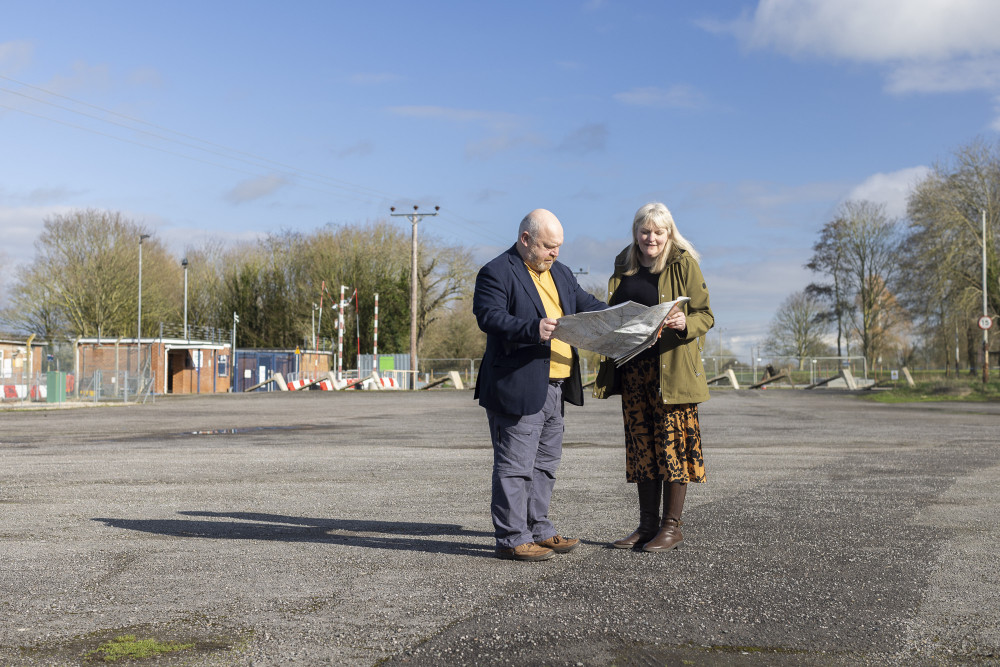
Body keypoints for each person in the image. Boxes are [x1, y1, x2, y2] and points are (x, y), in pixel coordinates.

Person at [474, 208, 607, 561]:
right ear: (525, 240)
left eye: (559, 246)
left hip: (557, 385)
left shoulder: (561, 272)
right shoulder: (496, 271)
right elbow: (489, 316)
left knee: (545, 464)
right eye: (549, 246)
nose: (555, 253)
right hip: (517, 385)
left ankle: (539, 529)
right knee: (515, 466)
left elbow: (589, 306)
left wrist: (629, 317)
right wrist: (531, 330)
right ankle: (512, 538)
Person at [593, 202, 713, 552]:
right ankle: (647, 526)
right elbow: (612, 311)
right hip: (633, 371)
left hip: (672, 372)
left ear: (669, 233)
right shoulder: (624, 263)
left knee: (672, 448)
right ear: (636, 232)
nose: (652, 238)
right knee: (643, 448)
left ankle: (671, 528)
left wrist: (685, 322)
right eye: (645, 231)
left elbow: (705, 314)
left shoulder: (683, 263)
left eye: (659, 232)